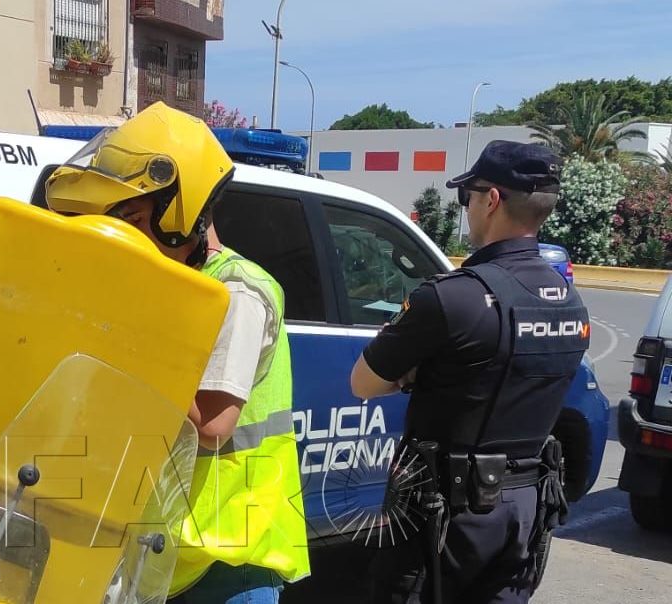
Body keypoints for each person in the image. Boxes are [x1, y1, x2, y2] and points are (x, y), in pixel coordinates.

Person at [42, 102, 311, 603]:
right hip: (163, 548)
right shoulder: (170, 288)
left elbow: (210, 427)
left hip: (226, 558)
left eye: (134, 218)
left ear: (178, 212)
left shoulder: (236, 292)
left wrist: (126, 339)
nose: (126, 237)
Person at [350, 140, 589, 603]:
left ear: (492, 200)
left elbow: (363, 382)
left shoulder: (451, 298)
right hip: (524, 512)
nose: (468, 208)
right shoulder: (571, 304)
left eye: (469, 196)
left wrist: (420, 373)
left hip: (445, 518)